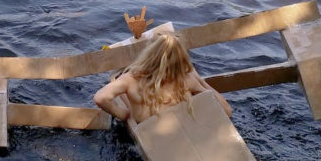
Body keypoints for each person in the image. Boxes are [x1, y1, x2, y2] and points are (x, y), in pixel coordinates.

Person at [93, 32, 232, 125]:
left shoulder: (130, 80)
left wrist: (123, 115)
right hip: (176, 128)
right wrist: (200, 80)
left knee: (123, 89)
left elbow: (100, 98)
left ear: (149, 54)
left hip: (148, 128)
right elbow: (227, 111)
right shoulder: (186, 79)